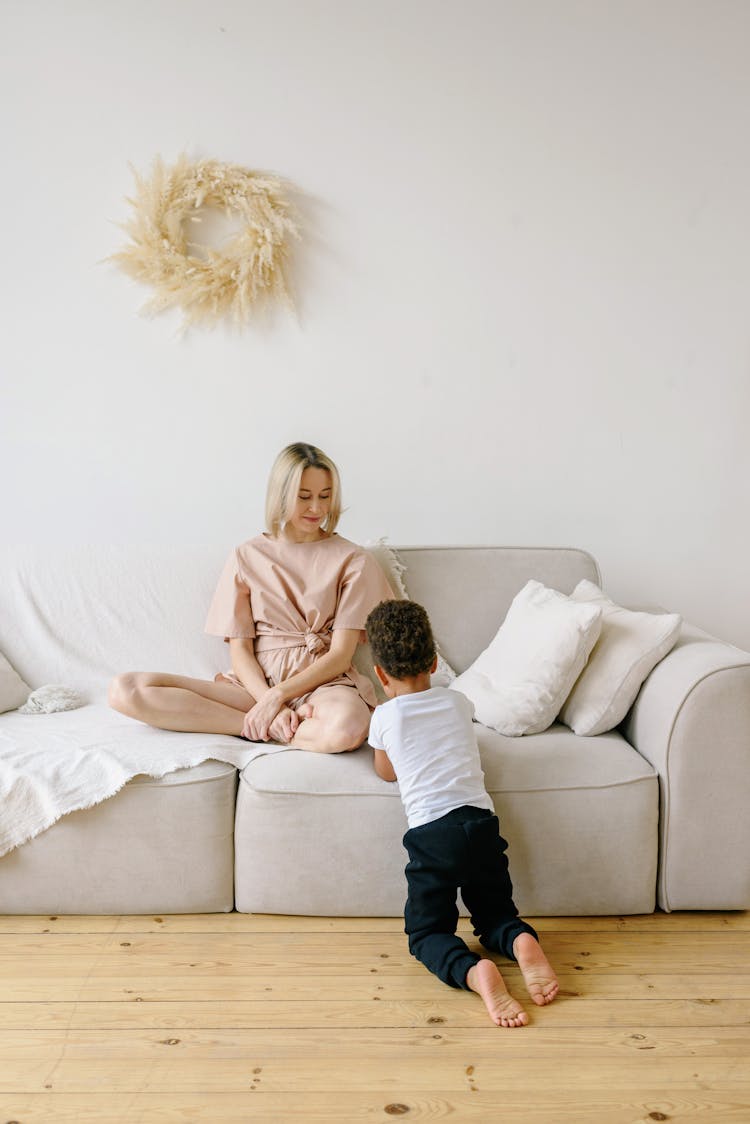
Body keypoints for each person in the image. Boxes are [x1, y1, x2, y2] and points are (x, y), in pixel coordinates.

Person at [109, 442, 393, 752]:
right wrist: (267, 701)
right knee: (125, 690)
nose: (317, 508)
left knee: (347, 728)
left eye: (325, 497)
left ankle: (267, 724)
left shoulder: (354, 560)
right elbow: (240, 651)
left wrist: (278, 697)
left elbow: (340, 655)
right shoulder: (247, 555)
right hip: (253, 687)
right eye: (304, 497)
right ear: (280, 495)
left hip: (322, 687)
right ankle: (262, 726)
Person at [365, 598, 559, 1027]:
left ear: (379, 675)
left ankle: (474, 972)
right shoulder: (458, 702)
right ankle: (521, 940)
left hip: (434, 837)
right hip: (481, 825)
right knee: (495, 916)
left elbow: (385, 772)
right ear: (433, 662)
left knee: (427, 934)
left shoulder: (384, 716)